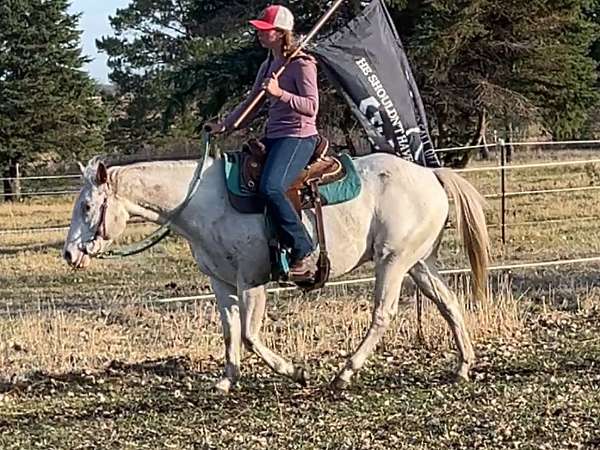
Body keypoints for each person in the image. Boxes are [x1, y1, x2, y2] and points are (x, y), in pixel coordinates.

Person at [205, 4, 320, 278]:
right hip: (275, 135)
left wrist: (280, 93)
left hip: (299, 136)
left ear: (281, 34)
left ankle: (303, 248)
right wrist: (226, 126)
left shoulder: (302, 64)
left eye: (265, 30)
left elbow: (312, 106)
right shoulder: (268, 64)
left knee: (271, 187)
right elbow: (252, 105)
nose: (259, 34)